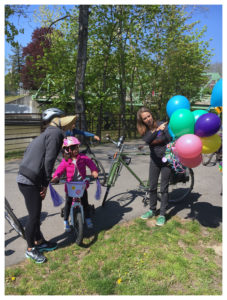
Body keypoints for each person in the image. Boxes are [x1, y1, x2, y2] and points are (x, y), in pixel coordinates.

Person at [17, 107, 76, 263]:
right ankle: (30, 249)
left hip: (26, 178)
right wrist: (45, 184)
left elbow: (31, 155)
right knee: (34, 216)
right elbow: (49, 160)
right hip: (30, 180)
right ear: (56, 120)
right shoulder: (55, 133)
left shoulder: (45, 134)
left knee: (35, 214)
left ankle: (40, 242)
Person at [51, 136, 98, 231]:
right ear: (67, 150)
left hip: (82, 185)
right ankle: (65, 221)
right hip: (70, 186)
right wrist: (56, 177)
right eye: (73, 148)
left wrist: (94, 171)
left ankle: (88, 218)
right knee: (68, 203)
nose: (76, 150)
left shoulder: (83, 158)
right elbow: (59, 170)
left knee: (85, 202)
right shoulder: (65, 161)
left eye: (77, 147)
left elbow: (91, 164)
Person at [137, 107, 172, 226]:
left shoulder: (163, 124)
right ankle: (152, 210)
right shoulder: (145, 130)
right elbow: (147, 140)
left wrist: (161, 131)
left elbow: (168, 138)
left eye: (149, 116)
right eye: (145, 118)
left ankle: (162, 214)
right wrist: (157, 131)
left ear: (152, 115)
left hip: (166, 159)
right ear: (142, 121)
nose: (148, 119)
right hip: (154, 160)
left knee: (164, 188)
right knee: (152, 186)